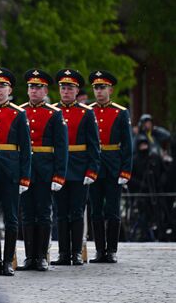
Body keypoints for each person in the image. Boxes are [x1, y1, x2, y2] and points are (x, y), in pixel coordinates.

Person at [0, 68, 31, 277]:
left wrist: (24, 177)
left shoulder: (18, 114)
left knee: (11, 218)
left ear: (10, 89)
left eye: (2, 86)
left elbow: (26, 149)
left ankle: (8, 261)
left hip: (11, 172)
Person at [18, 69, 68, 271]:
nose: (34, 91)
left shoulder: (54, 114)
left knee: (44, 213)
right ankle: (30, 256)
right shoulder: (20, 111)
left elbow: (62, 147)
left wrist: (59, 174)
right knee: (27, 213)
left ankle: (42, 256)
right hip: (25, 170)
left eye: (38, 87)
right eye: (31, 87)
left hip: (45, 169)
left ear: (46, 90)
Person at [51, 69, 100, 266]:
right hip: (59, 168)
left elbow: (94, 145)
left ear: (77, 90)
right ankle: (63, 253)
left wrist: (92, 170)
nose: (65, 91)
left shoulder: (86, 113)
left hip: (79, 168)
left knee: (77, 212)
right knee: (61, 212)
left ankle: (76, 252)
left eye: (70, 88)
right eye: (63, 87)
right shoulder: (53, 111)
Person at [88, 70, 133, 263]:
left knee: (113, 210)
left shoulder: (121, 112)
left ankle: (112, 249)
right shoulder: (88, 111)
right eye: (96, 88)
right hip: (94, 166)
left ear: (110, 90)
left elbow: (128, 144)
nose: (99, 92)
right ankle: (99, 249)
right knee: (95, 210)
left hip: (113, 165)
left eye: (102, 88)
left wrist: (126, 170)